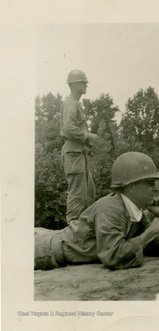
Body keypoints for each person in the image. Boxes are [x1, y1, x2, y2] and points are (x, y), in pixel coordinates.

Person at [34, 152, 159, 271]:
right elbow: (112, 257)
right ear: (130, 187)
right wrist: (150, 233)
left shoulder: (133, 210)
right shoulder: (110, 208)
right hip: (43, 249)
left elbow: (157, 250)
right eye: (149, 183)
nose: (155, 188)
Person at [60, 69, 99, 223]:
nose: (86, 86)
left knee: (89, 193)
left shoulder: (76, 104)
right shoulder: (70, 103)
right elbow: (68, 129)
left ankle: (83, 228)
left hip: (79, 153)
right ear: (75, 84)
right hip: (73, 154)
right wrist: (87, 136)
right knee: (77, 194)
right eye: (83, 83)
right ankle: (72, 230)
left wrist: (86, 141)